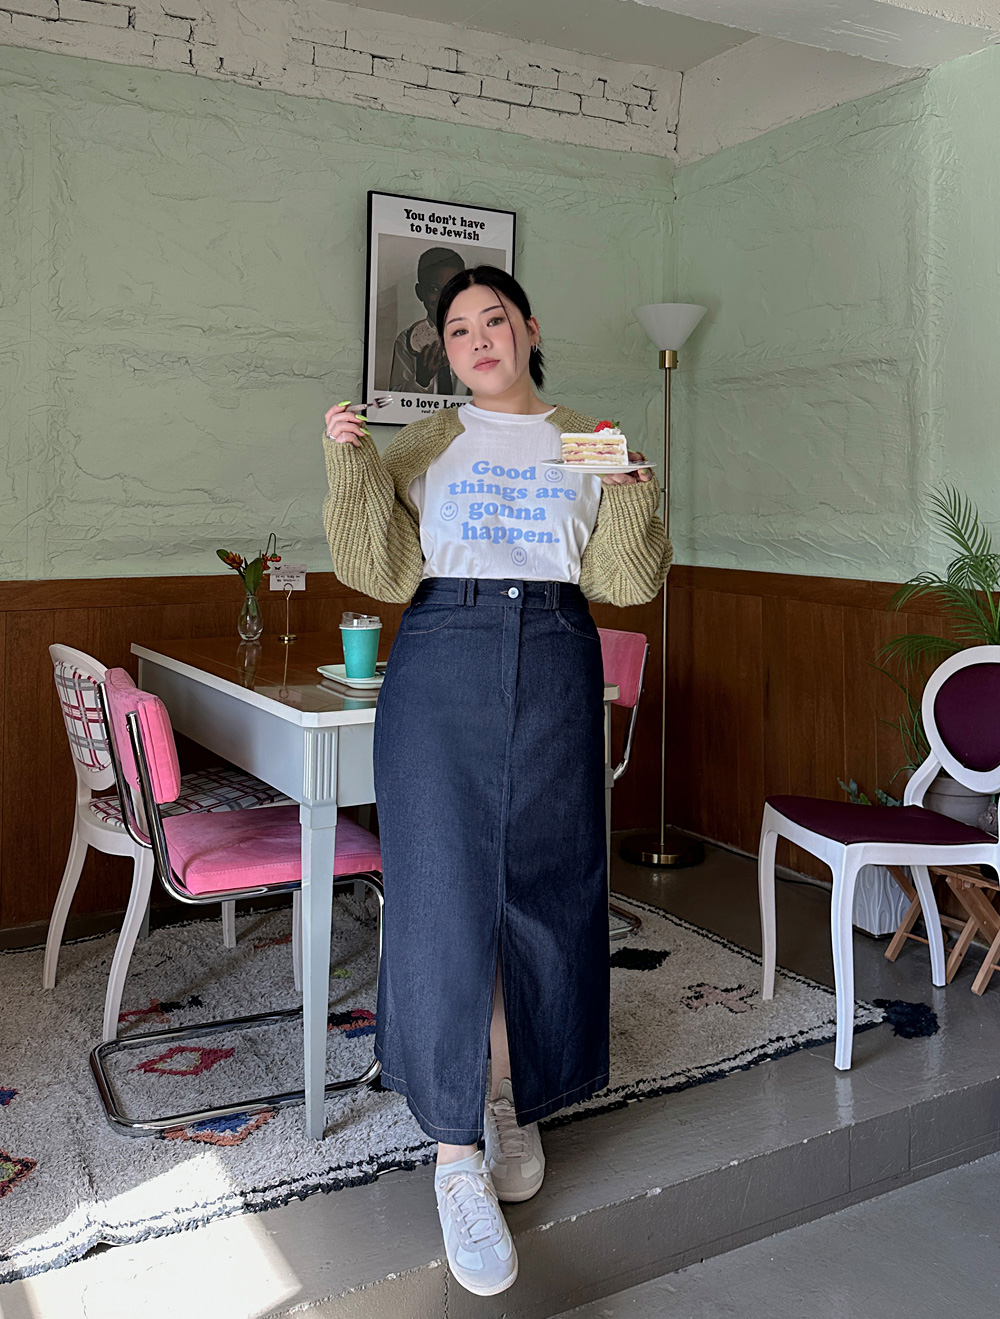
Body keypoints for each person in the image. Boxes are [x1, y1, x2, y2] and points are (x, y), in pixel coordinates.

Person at [322, 266, 670, 1298]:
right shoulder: (425, 441)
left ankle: (508, 1093)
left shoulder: (589, 441)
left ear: (529, 328)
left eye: (495, 319)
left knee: (543, 887)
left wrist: (636, 497)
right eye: (459, 329)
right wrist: (349, 464)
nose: (478, 339)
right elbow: (380, 570)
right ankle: (453, 1150)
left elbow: (625, 581)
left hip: (558, 652)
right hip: (442, 653)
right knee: (443, 895)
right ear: (447, 351)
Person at [387, 246, 469, 396]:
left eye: (451, 290)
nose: (443, 298)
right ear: (420, 292)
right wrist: (421, 380)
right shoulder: (406, 341)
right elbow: (394, 396)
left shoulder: (474, 339)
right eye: (434, 289)